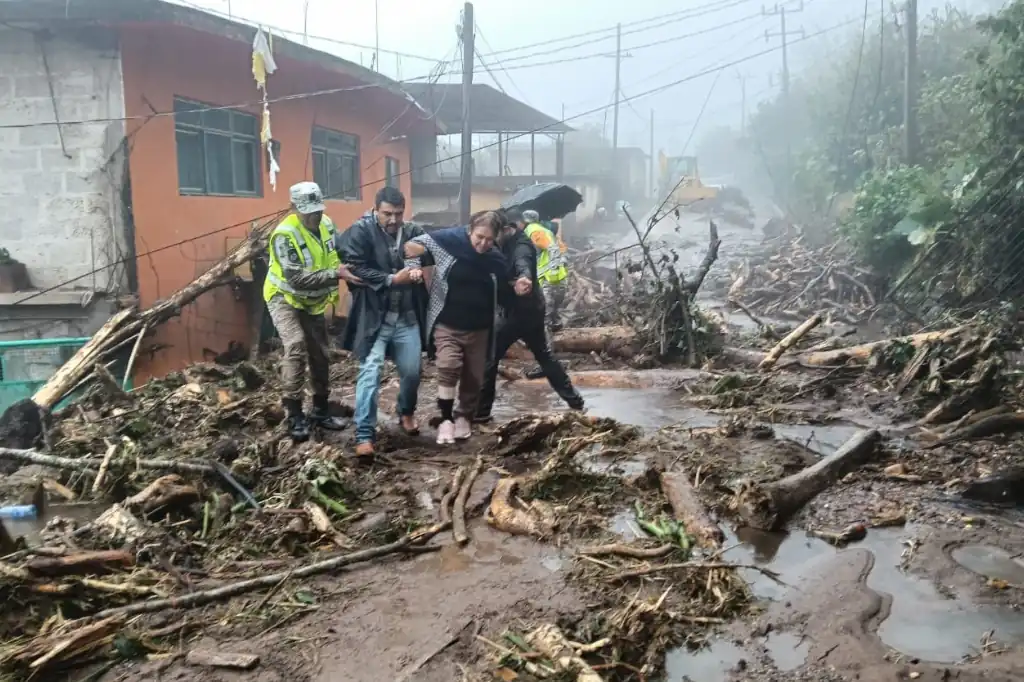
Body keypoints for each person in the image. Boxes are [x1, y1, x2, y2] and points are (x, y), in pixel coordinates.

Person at [264, 181, 360, 441]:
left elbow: (338, 253)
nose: (314, 215)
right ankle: (294, 413)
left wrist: (353, 268)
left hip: (312, 301)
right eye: (308, 211)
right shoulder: (284, 235)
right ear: (293, 207)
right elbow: (296, 279)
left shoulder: (327, 224)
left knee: (320, 353)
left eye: (317, 209)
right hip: (284, 297)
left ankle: (320, 409)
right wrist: (335, 274)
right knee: (295, 345)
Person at [403, 211, 508, 444]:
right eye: (479, 237)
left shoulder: (495, 258)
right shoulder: (448, 242)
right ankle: (446, 418)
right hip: (447, 322)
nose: (483, 244)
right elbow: (412, 245)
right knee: (448, 366)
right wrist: (414, 266)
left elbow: (506, 283)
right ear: (470, 230)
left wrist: (519, 284)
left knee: (473, 377)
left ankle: (464, 417)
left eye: (489, 240)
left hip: (480, 327)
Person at [338, 186, 427, 457]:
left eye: (398, 214)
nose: (393, 220)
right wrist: (391, 279)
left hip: (407, 316)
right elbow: (353, 266)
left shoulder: (412, 231)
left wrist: (417, 266)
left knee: (412, 371)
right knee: (370, 372)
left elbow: (430, 253)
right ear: (376, 210)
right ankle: (364, 434)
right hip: (374, 317)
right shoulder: (360, 231)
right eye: (387, 213)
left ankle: (406, 411)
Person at [476, 209, 584, 422]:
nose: (491, 239)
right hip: (532, 308)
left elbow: (522, 263)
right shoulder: (502, 242)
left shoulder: (521, 246)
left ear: (508, 229)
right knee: (544, 355)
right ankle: (575, 401)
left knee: (488, 358)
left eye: (495, 234)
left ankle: (481, 412)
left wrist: (524, 278)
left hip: (518, 311)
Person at [522, 210, 568, 336]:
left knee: (544, 315)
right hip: (558, 277)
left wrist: (552, 269)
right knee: (552, 312)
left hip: (547, 276)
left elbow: (553, 249)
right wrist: (561, 265)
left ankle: (546, 349)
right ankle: (554, 330)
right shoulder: (546, 230)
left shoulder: (533, 230)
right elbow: (562, 249)